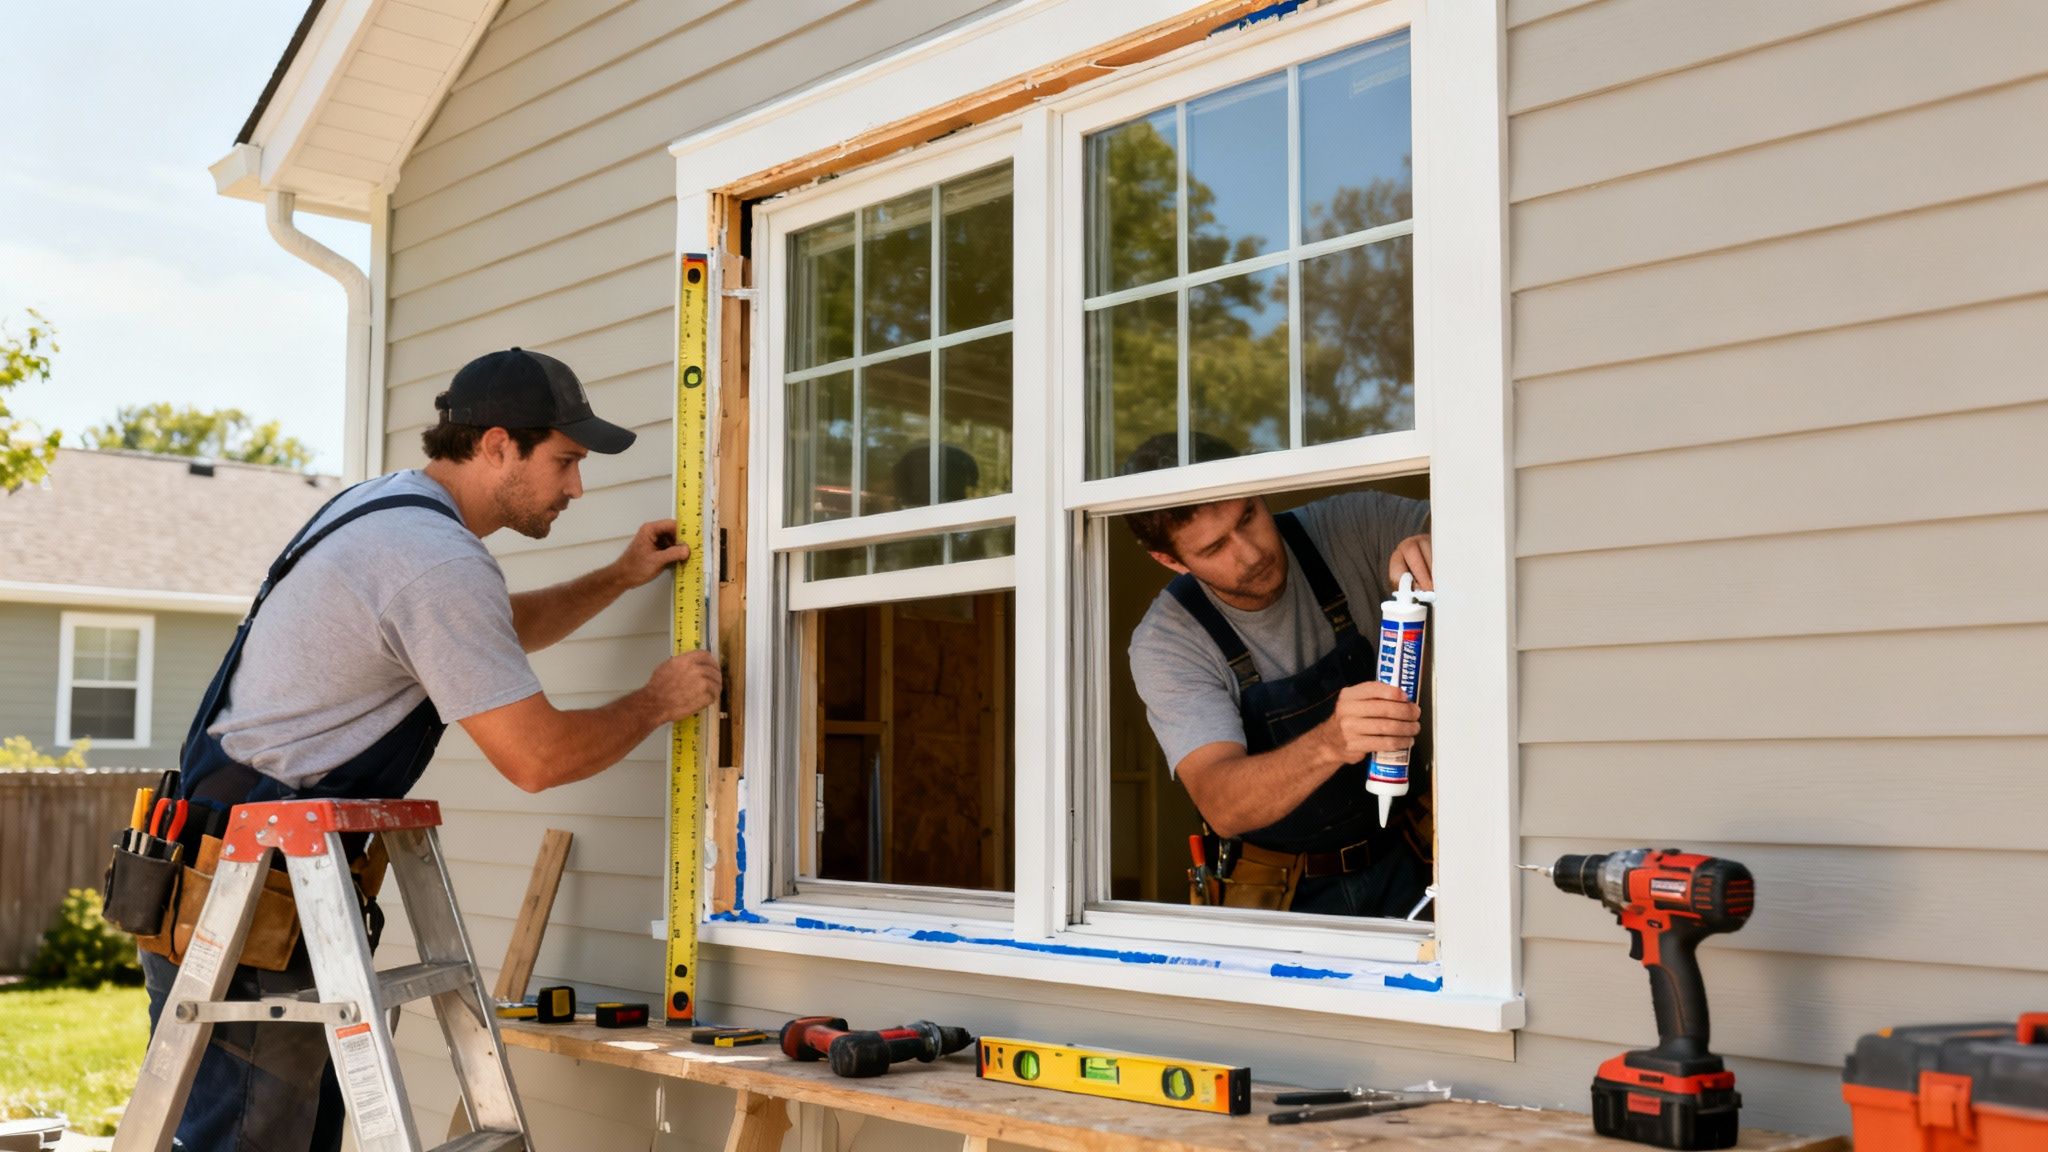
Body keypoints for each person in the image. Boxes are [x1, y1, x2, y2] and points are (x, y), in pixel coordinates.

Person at [140, 347, 721, 1152]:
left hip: (246, 865)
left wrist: (618, 578)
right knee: (247, 1139)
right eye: (565, 461)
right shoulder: (434, 559)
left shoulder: (389, 511)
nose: (576, 487)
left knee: (287, 1132)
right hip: (250, 886)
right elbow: (537, 758)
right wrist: (657, 702)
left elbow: (482, 639)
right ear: (494, 444)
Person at [1123, 433, 1432, 917]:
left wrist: (1438, 544)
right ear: (1170, 561)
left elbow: (1482, 515)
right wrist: (1331, 741)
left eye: (1248, 516)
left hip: (1409, 852)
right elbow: (1222, 805)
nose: (1250, 553)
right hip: (1282, 891)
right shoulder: (1167, 642)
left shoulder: (1353, 525)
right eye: (1215, 547)